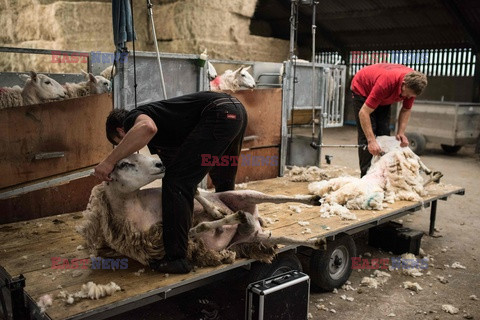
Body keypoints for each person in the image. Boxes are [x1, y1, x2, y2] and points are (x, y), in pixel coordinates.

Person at [93, 91, 248, 274]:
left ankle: (176, 259)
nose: (126, 151)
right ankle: (237, 229)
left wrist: (109, 162)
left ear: (122, 131)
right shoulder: (166, 134)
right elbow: (175, 164)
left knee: (176, 183)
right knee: (223, 174)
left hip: (218, 112)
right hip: (236, 111)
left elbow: (147, 128)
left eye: (120, 143)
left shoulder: (133, 119)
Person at [350, 63, 428, 177]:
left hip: (383, 94)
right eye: (407, 95)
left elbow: (406, 109)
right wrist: (371, 140)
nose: (407, 98)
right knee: (367, 138)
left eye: (411, 96)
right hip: (363, 89)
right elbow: (364, 113)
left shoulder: (414, 84)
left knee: (384, 133)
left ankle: (382, 174)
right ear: (403, 84)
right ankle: (366, 177)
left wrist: (401, 132)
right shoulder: (386, 84)